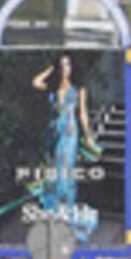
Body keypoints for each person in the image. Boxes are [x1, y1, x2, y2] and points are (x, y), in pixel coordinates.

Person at [31, 53, 101, 242]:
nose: (65, 69)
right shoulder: (53, 88)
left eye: (68, 65)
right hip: (54, 132)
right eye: (62, 65)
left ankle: (67, 212)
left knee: (66, 167)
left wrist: (88, 136)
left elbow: (83, 114)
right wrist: (49, 70)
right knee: (55, 169)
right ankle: (56, 213)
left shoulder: (78, 89)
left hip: (70, 131)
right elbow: (35, 82)